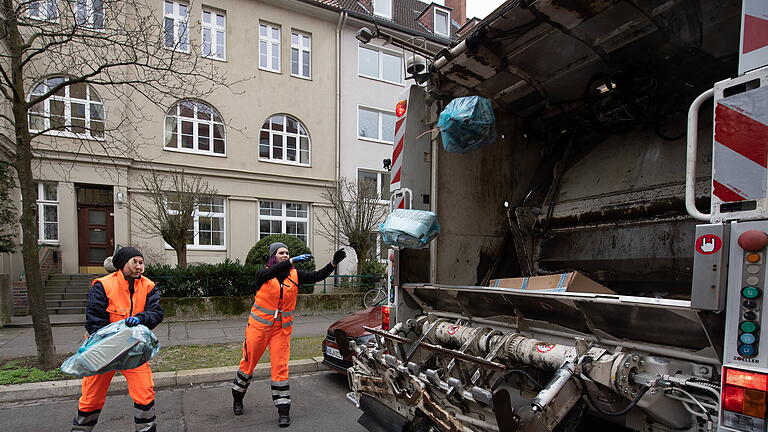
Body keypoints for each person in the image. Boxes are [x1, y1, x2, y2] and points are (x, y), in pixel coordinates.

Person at [231, 242, 346, 427]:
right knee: (248, 362)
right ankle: (238, 396)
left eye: (287, 253)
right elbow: (272, 272)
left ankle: (283, 410)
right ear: (273, 256)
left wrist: (333, 263)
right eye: (281, 253)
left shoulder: (295, 274)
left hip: (281, 331)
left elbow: (317, 276)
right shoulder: (263, 274)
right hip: (258, 328)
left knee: (280, 367)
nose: (285, 255)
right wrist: (291, 261)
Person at [71, 247, 164, 432]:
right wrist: (113, 338)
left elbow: (156, 313)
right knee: (91, 397)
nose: (139, 267)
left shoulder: (148, 286)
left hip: (133, 348)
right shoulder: (103, 285)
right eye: (135, 262)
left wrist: (141, 319)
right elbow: (94, 320)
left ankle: (146, 429)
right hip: (103, 349)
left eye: (141, 262)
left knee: (144, 392)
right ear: (123, 264)